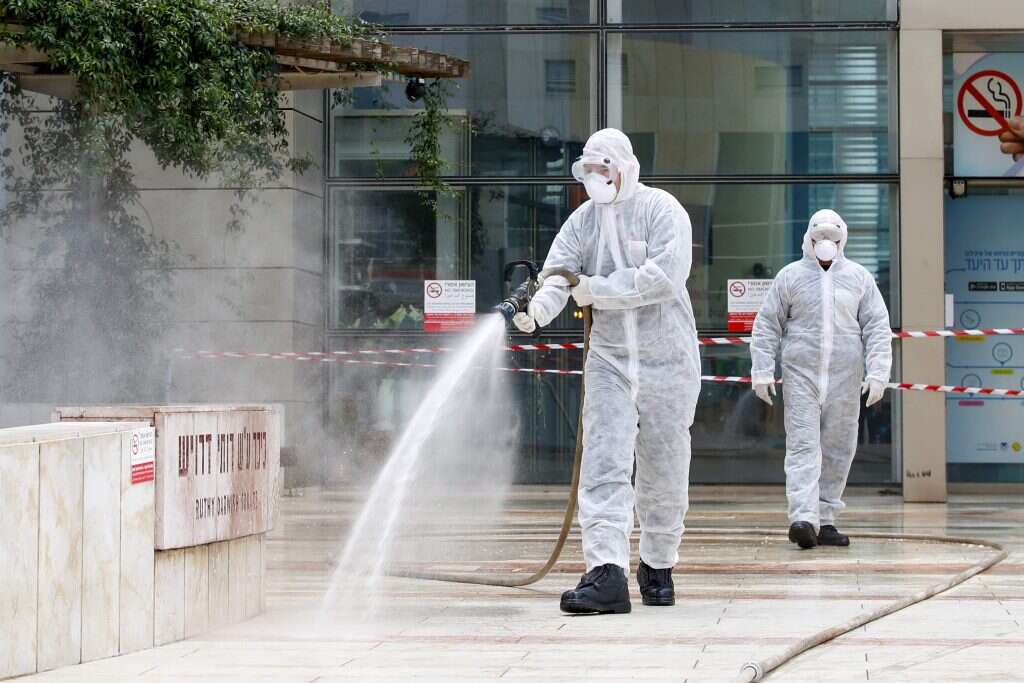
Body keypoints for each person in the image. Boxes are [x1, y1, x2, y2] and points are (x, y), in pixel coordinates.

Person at [512, 128, 701, 614]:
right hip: (611, 358)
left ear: (623, 168)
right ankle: (606, 571)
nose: (596, 179)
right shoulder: (582, 222)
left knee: (665, 465)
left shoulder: (663, 211)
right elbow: (560, 274)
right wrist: (537, 310)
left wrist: (598, 290)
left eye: (603, 170)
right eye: (588, 171)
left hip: (668, 358)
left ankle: (658, 563)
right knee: (603, 461)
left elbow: (665, 277)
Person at [750, 209, 892, 550]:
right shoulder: (790, 277)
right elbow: (767, 325)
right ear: (808, 240)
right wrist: (761, 370)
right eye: (819, 239)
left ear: (843, 240)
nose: (825, 245)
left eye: (832, 239)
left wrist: (878, 374)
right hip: (801, 376)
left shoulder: (858, 278)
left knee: (839, 448)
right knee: (802, 447)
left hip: (846, 377)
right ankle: (803, 518)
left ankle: (826, 519)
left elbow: (876, 327)